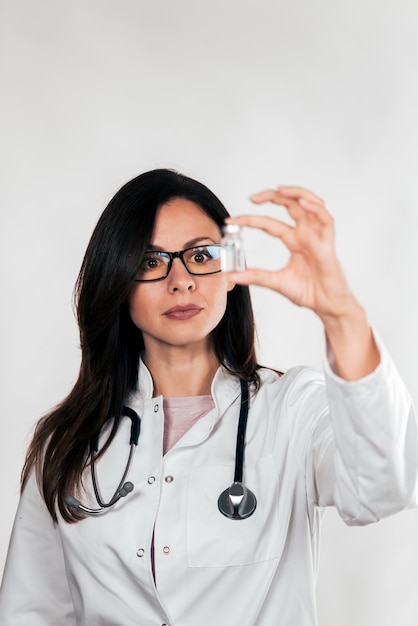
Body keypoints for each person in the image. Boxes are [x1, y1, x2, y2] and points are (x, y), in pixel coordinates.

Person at [0, 168, 416, 626]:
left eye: (201, 255)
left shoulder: (293, 408)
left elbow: (381, 489)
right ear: (118, 280)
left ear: (231, 269)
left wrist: (342, 315)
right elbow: (30, 612)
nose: (181, 281)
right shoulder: (68, 439)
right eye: (151, 261)